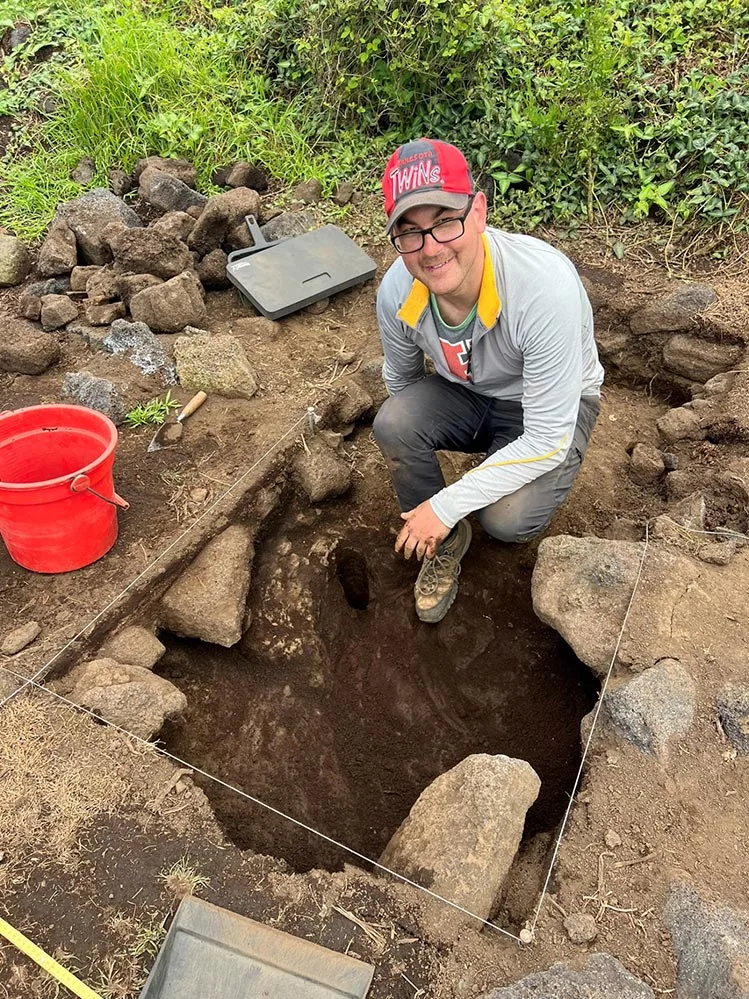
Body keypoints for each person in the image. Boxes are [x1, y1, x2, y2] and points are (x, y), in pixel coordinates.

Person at [373, 138, 604, 623]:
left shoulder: (542, 288)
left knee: (506, 520)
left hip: (545, 409)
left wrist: (451, 500)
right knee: (394, 421)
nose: (430, 249)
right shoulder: (397, 289)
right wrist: (434, 499)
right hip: (470, 392)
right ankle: (441, 539)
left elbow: (546, 436)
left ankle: (449, 514)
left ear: (478, 211)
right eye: (410, 232)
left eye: (444, 222)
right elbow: (403, 380)